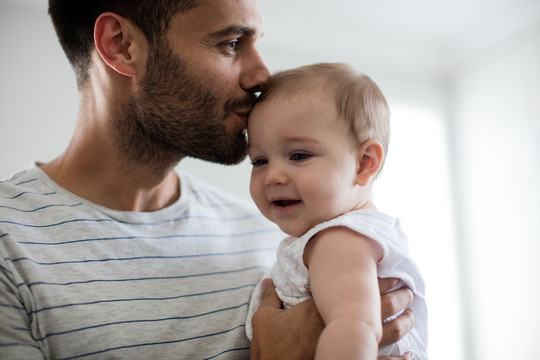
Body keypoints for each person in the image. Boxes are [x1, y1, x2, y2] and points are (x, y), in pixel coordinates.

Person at [0, 1, 415, 359]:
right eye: (232, 43)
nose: (261, 76)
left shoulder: (279, 232)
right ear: (121, 45)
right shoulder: (9, 247)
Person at [245, 63, 428, 359]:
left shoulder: (338, 240)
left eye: (299, 155)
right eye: (259, 161)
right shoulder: (343, 233)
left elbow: (354, 327)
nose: (272, 176)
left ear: (364, 163)